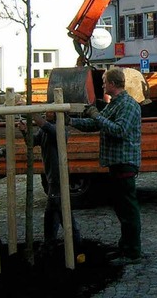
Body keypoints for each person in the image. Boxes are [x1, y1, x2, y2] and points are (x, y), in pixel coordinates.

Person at [70, 67, 142, 266]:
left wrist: (96, 115)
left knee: (128, 210)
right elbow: (96, 124)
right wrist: (70, 121)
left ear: (112, 84)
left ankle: (133, 252)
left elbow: (118, 131)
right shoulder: (115, 104)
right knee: (121, 209)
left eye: (104, 82)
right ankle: (125, 247)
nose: (102, 85)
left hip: (124, 163)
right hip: (116, 163)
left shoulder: (128, 105)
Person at [18, 111, 82, 254]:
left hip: (59, 177)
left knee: (55, 210)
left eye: (50, 111)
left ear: (58, 114)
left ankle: (70, 243)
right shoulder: (44, 130)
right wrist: (24, 132)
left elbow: (46, 126)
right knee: (58, 210)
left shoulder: (59, 130)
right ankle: (60, 242)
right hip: (51, 176)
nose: (46, 113)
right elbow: (32, 142)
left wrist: (31, 112)